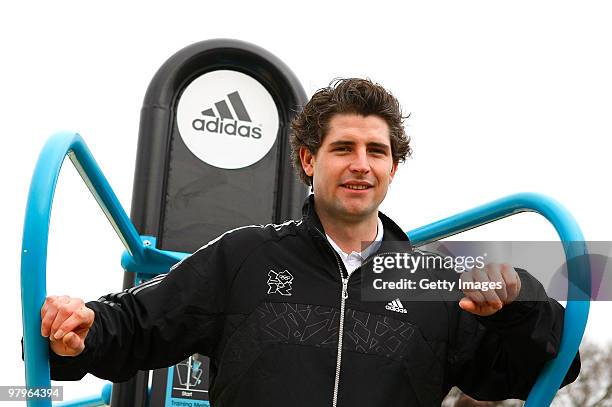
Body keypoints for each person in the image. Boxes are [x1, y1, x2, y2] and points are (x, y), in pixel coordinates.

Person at [39, 78, 580, 406]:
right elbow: (137, 324)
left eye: (377, 151)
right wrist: (82, 327)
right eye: (343, 147)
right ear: (307, 160)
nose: (361, 165)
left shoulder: (431, 279)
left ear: (394, 168)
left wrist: (518, 303)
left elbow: (540, 370)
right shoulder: (243, 256)